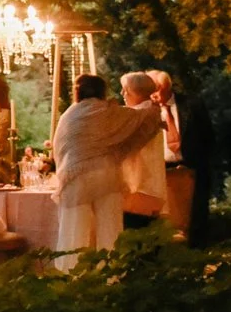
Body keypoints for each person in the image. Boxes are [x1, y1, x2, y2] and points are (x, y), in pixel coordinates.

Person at [49, 73, 163, 266]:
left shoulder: (69, 115)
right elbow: (142, 116)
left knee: (74, 230)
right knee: (110, 229)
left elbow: (60, 148)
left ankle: (71, 274)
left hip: (75, 175)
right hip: (106, 173)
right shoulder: (108, 112)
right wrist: (154, 112)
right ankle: (111, 274)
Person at [158, 69, 221, 240]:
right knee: (166, 222)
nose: (155, 95)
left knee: (195, 218)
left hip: (191, 168)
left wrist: (199, 162)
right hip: (161, 171)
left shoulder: (191, 105)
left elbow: (208, 136)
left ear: (167, 88)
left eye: (158, 89)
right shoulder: (146, 110)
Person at [118, 71, 169, 229]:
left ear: (135, 92)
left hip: (139, 188)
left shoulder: (138, 117)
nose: (122, 94)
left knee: (135, 237)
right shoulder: (152, 113)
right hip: (150, 186)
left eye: (125, 89)